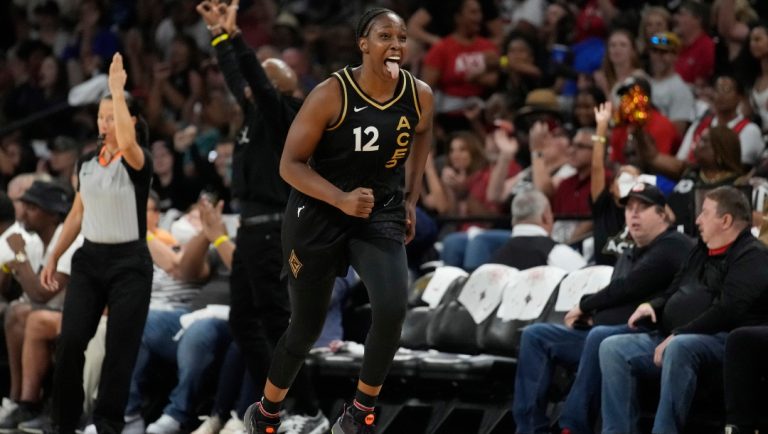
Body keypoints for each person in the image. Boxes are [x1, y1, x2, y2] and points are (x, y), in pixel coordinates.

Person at [244, 7, 434, 434]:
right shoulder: (332, 93)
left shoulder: (419, 94)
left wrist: (411, 198)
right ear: (363, 44)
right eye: (385, 36)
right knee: (305, 327)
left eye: (402, 38)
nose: (396, 45)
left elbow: (423, 132)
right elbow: (290, 165)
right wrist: (340, 199)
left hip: (378, 210)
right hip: (318, 211)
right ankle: (266, 412)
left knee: (392, 307)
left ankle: (358, 414)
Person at [195, 1, 329, 432]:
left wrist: (237, 38)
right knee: (243, 322)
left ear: (277, 88)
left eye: (262, 82)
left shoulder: (284, 115)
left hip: (273, 229)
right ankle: (280, 405)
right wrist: (219, 36)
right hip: (251, 231)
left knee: (275, 321)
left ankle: (311, 411)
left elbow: (254, 80)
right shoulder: (254, 112)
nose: (248, 89)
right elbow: (240, 79)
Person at [513, 183, 692, 434]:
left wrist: (584, 305)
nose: (633, 214)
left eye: (642, 207)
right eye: (629, 208)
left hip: (647, 337)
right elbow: (618, 296)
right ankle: (529, 428)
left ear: (662, 214)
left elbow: (630, 287)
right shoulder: (630, 253)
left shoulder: (673, 244)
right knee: (536, 335)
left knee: (600, 337)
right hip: (602, 332)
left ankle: (572, 427)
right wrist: (593, 316)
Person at [39, 52, 154, 434]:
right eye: (101, 117)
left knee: (120, 350)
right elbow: (76, 214)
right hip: (89, 259)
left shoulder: (138, 160)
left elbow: (129, 144)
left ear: (130, 121)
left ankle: (107, 425)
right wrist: (54, 256)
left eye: (112, 116)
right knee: (70, 341)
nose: (105, 123)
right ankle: (63, 423)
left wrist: (117, 90)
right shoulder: (86, 162)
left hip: (129, 264)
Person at [599, 186, 768, 434]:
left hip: (723, 340)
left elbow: (728, 310)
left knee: (680, 347)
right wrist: (653, 305)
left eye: (704, 213)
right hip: (675, 334)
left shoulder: (752, 256)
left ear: (725, 220)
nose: (697, 220)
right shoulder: (700, 250)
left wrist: (680, 333)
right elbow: (674, 288)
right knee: (612, 347)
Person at [0, 180, 83, 429]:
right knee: (16, 312)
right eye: (24, 206)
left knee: (23, 313)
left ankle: (27, 401)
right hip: (49, 309)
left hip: (75, 312)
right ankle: (17, 399)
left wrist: (19, 257)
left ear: (53, 215)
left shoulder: (71, 240)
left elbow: (41, 294)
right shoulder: (35, 241)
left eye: (32, 208)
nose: (23, 213)